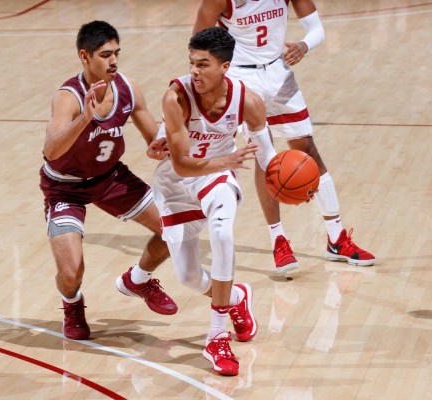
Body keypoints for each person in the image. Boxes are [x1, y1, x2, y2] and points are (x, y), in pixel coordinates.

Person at [194, 0, 375, 273]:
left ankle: (337, 239)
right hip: (242, 78)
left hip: (278, 72)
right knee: (264, 154)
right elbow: (198, 45)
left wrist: (304, 45)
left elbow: (316, 29)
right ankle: (278, 240)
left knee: (308, 151)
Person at [39, 20, 177, 341]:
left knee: (174, 228)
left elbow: (153, 141)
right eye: (105, 55)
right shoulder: (68, 97)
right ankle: (72, 303)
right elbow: (50, 150)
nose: (113, 61)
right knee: (72, 273)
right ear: (84, 58)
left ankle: (138, 280)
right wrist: (85, 118)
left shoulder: (128, 88)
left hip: (111, 177)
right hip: (65, 187)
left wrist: (164, 148)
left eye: (116, 53)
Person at [154, 27, 276, 376]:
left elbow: (268, 156)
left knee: (223, 233)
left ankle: (216, 337)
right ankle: (235, 297)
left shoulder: (248, 102)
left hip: (217, 178)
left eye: (203, 64)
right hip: (177, 182)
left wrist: (282, 181)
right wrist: (228, 160)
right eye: (192, 63)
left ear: (225, 66)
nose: (194, 71)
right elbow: (180, 163)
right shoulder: (175, 97)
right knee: (189, 278)